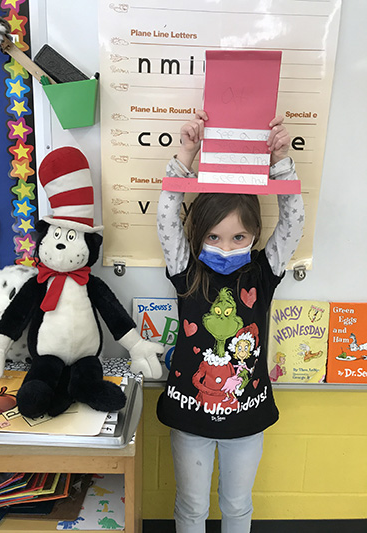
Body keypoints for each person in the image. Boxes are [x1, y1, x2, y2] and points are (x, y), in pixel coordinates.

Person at [156, 110, 304, 533]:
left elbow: (293, 222)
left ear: (255, 236)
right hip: (190, 417)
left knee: (237, 507)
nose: (225, 247)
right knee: (191, 507)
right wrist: (186, 154)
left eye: (238, 237)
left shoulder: (262, 272)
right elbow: (167, 216)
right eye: (214, 237)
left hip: (247, 418)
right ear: (197, 235)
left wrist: (280, 161)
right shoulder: (186, 270)